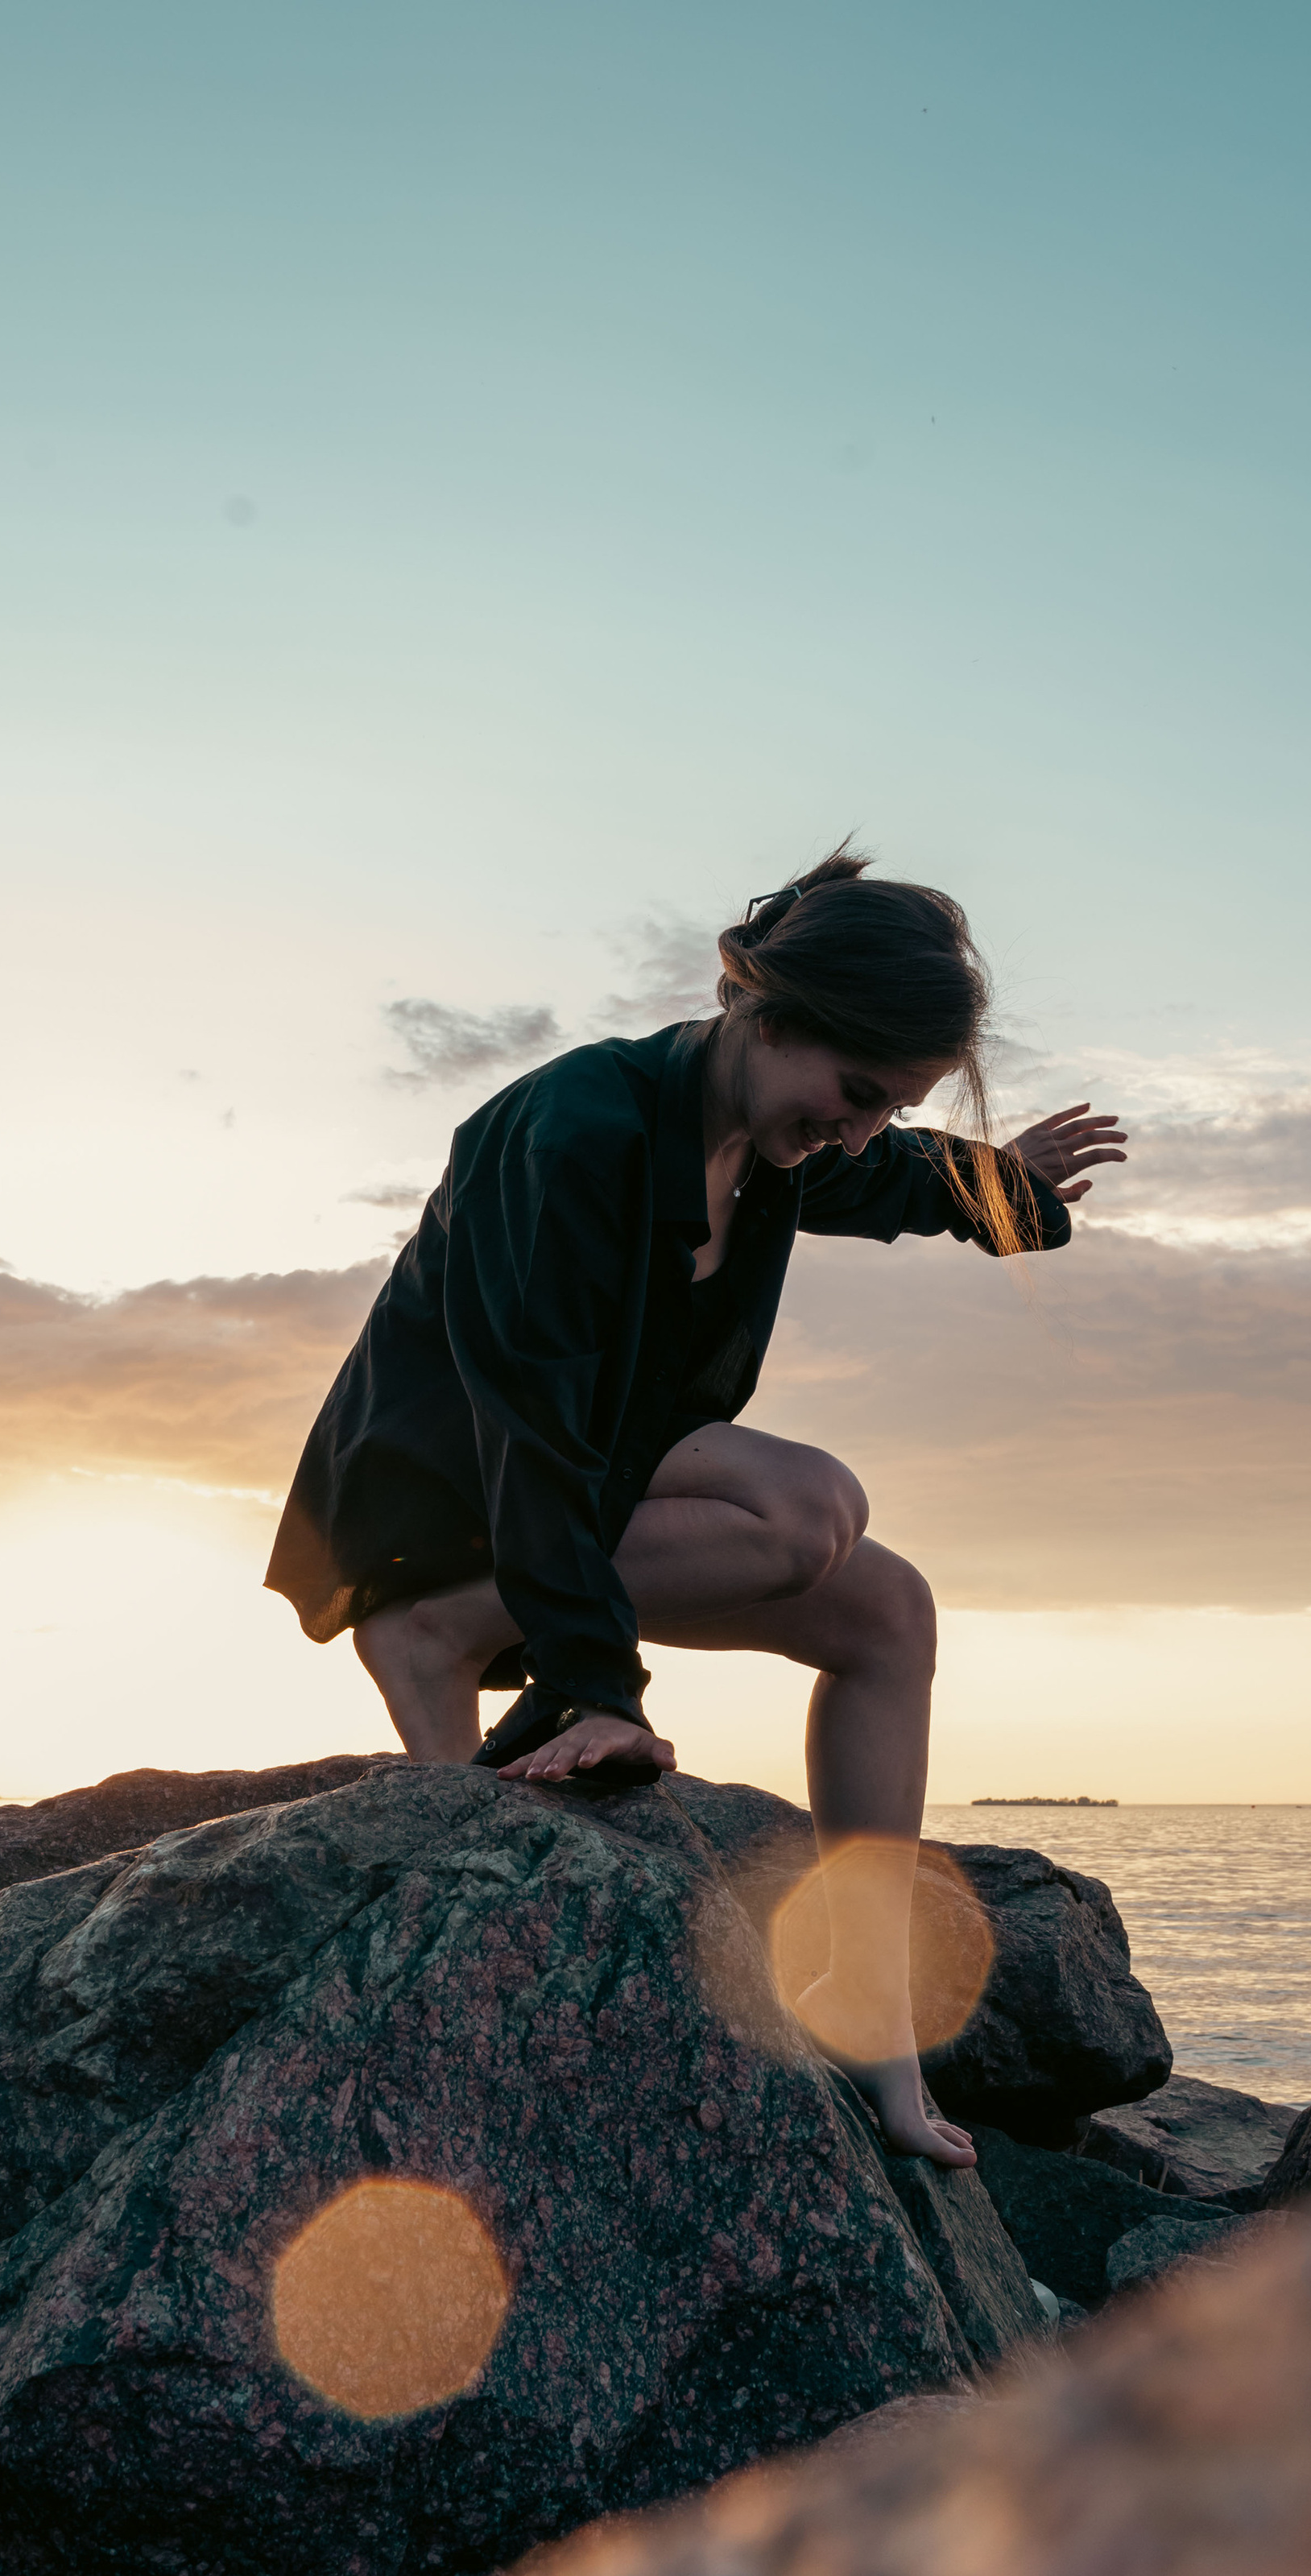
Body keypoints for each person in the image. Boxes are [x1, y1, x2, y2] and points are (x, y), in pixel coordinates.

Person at [267, 850, 1126, 2167]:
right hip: (437, 1499)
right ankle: (436, 1632)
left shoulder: (772, 1138)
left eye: (883, 1107)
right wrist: (596, 1686)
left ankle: (873, 2016)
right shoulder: (572, 1129)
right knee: (806, 1503)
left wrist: (995, 1189)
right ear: (766, 1012)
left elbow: (888, 1181)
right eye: (852, 1094)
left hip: (575, 1480)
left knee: (891, 1607)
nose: (852, 1129)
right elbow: (529, 1417)